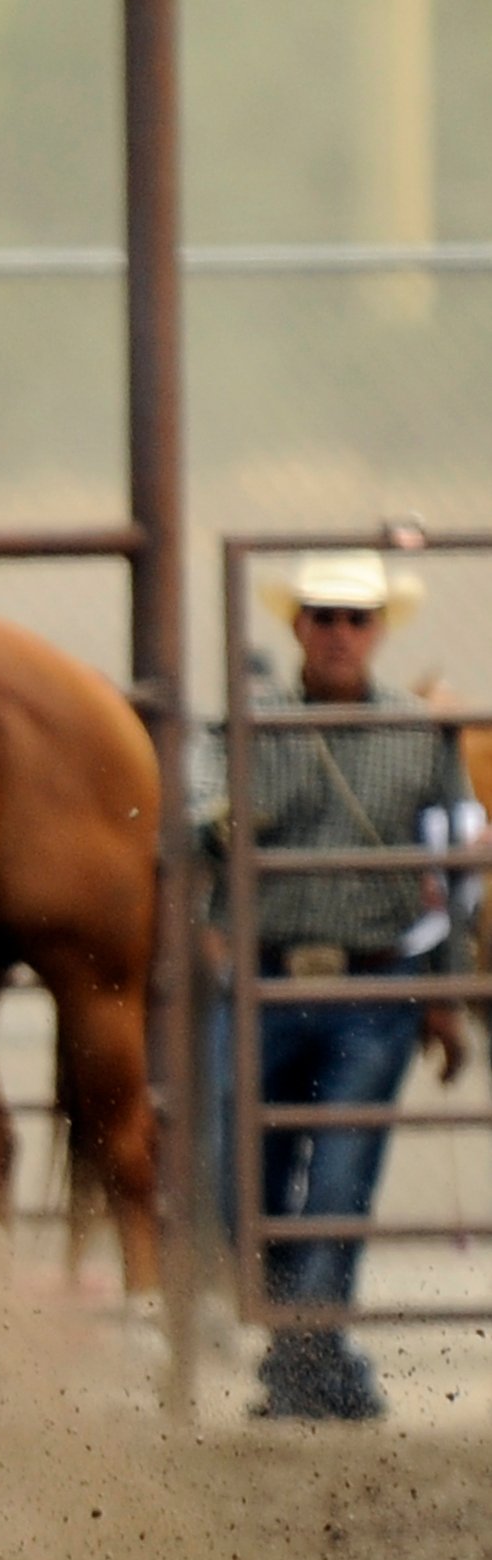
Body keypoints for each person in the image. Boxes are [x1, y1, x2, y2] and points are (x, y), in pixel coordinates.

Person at [203, 550, 477, 1421]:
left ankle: (306, 1356)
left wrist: (443, 991)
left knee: (337, 1182)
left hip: (374, 986)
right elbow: (198, 815)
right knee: (234, 1181)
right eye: (324, 615)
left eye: (355, 619)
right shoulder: (247, 724)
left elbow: (452, 870)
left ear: (378, 631)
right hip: (265, 979)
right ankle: (317, 1347)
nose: (338, 633)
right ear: (298, 626)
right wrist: (227, 814)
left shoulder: (422, 734)